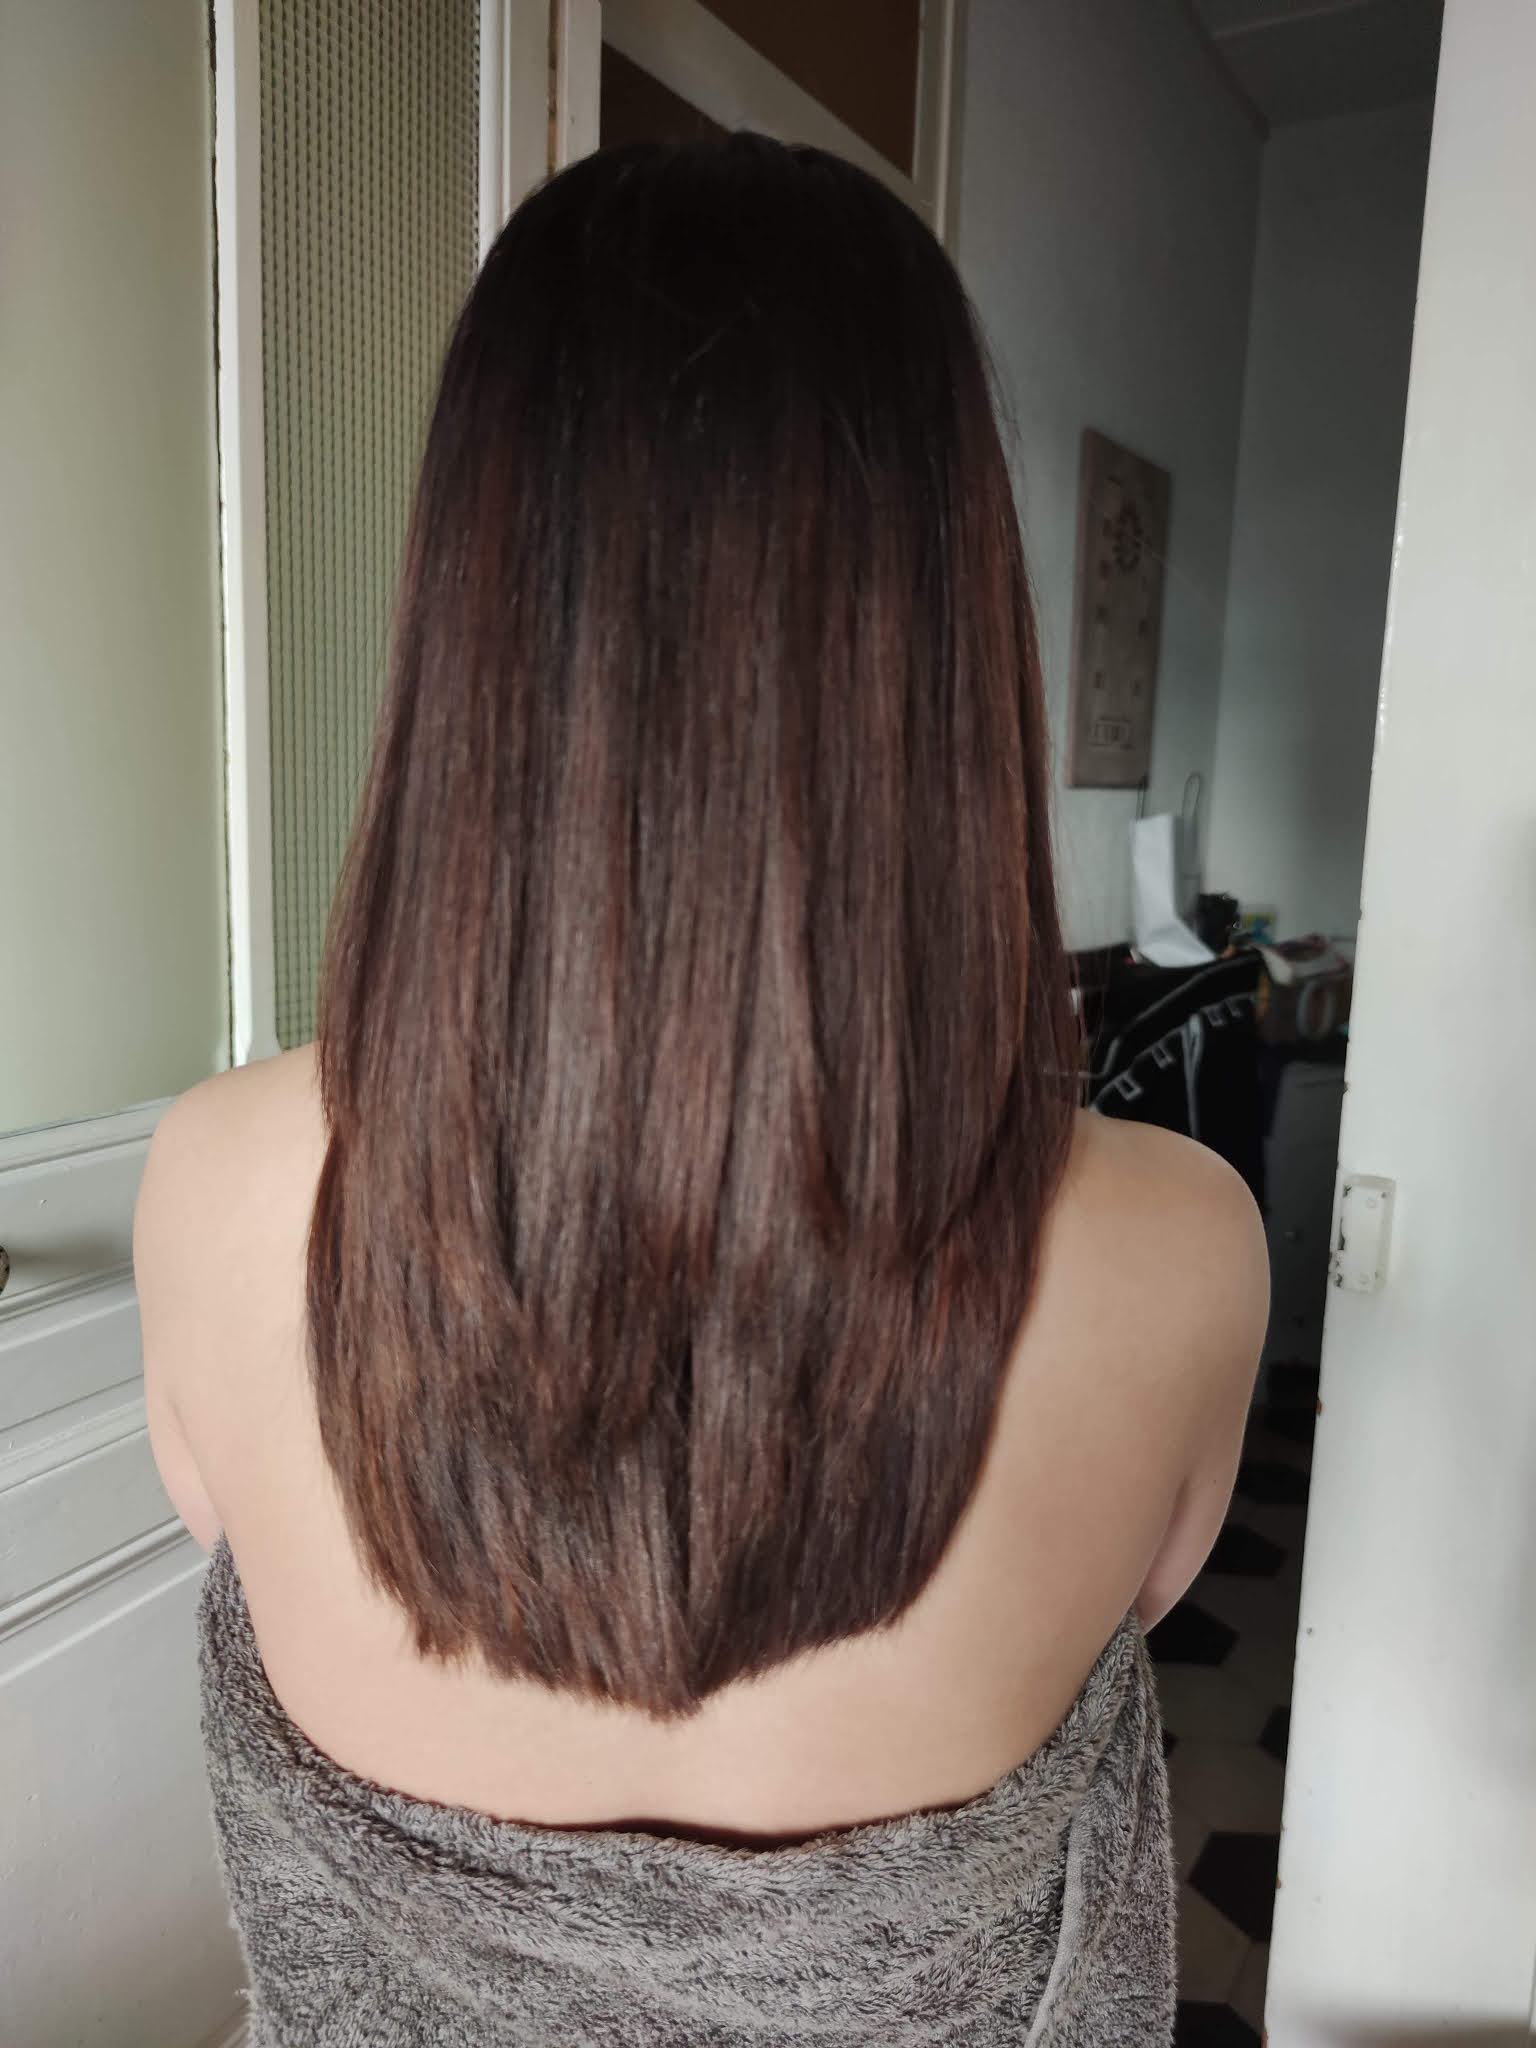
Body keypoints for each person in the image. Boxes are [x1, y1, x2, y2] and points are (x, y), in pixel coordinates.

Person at [137, 134, 1266, 2046]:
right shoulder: (1180, 1249)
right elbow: (1128, 1610)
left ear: (475, 607)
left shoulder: (215, 1186)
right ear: (945, 638)